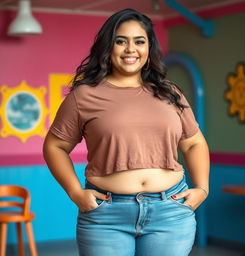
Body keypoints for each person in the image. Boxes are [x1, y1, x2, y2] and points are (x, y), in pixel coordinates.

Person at [43, 8, 210, 256]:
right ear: (108, 47)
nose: (131, 49)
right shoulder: (84, 96)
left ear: (148, 48)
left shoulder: (170, 92)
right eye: (121, 41)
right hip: (106, 215)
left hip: (171, 212)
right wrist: (75, 192)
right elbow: (54, 146)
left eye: (139, 41)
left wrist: (202, 189)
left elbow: (194, 142)